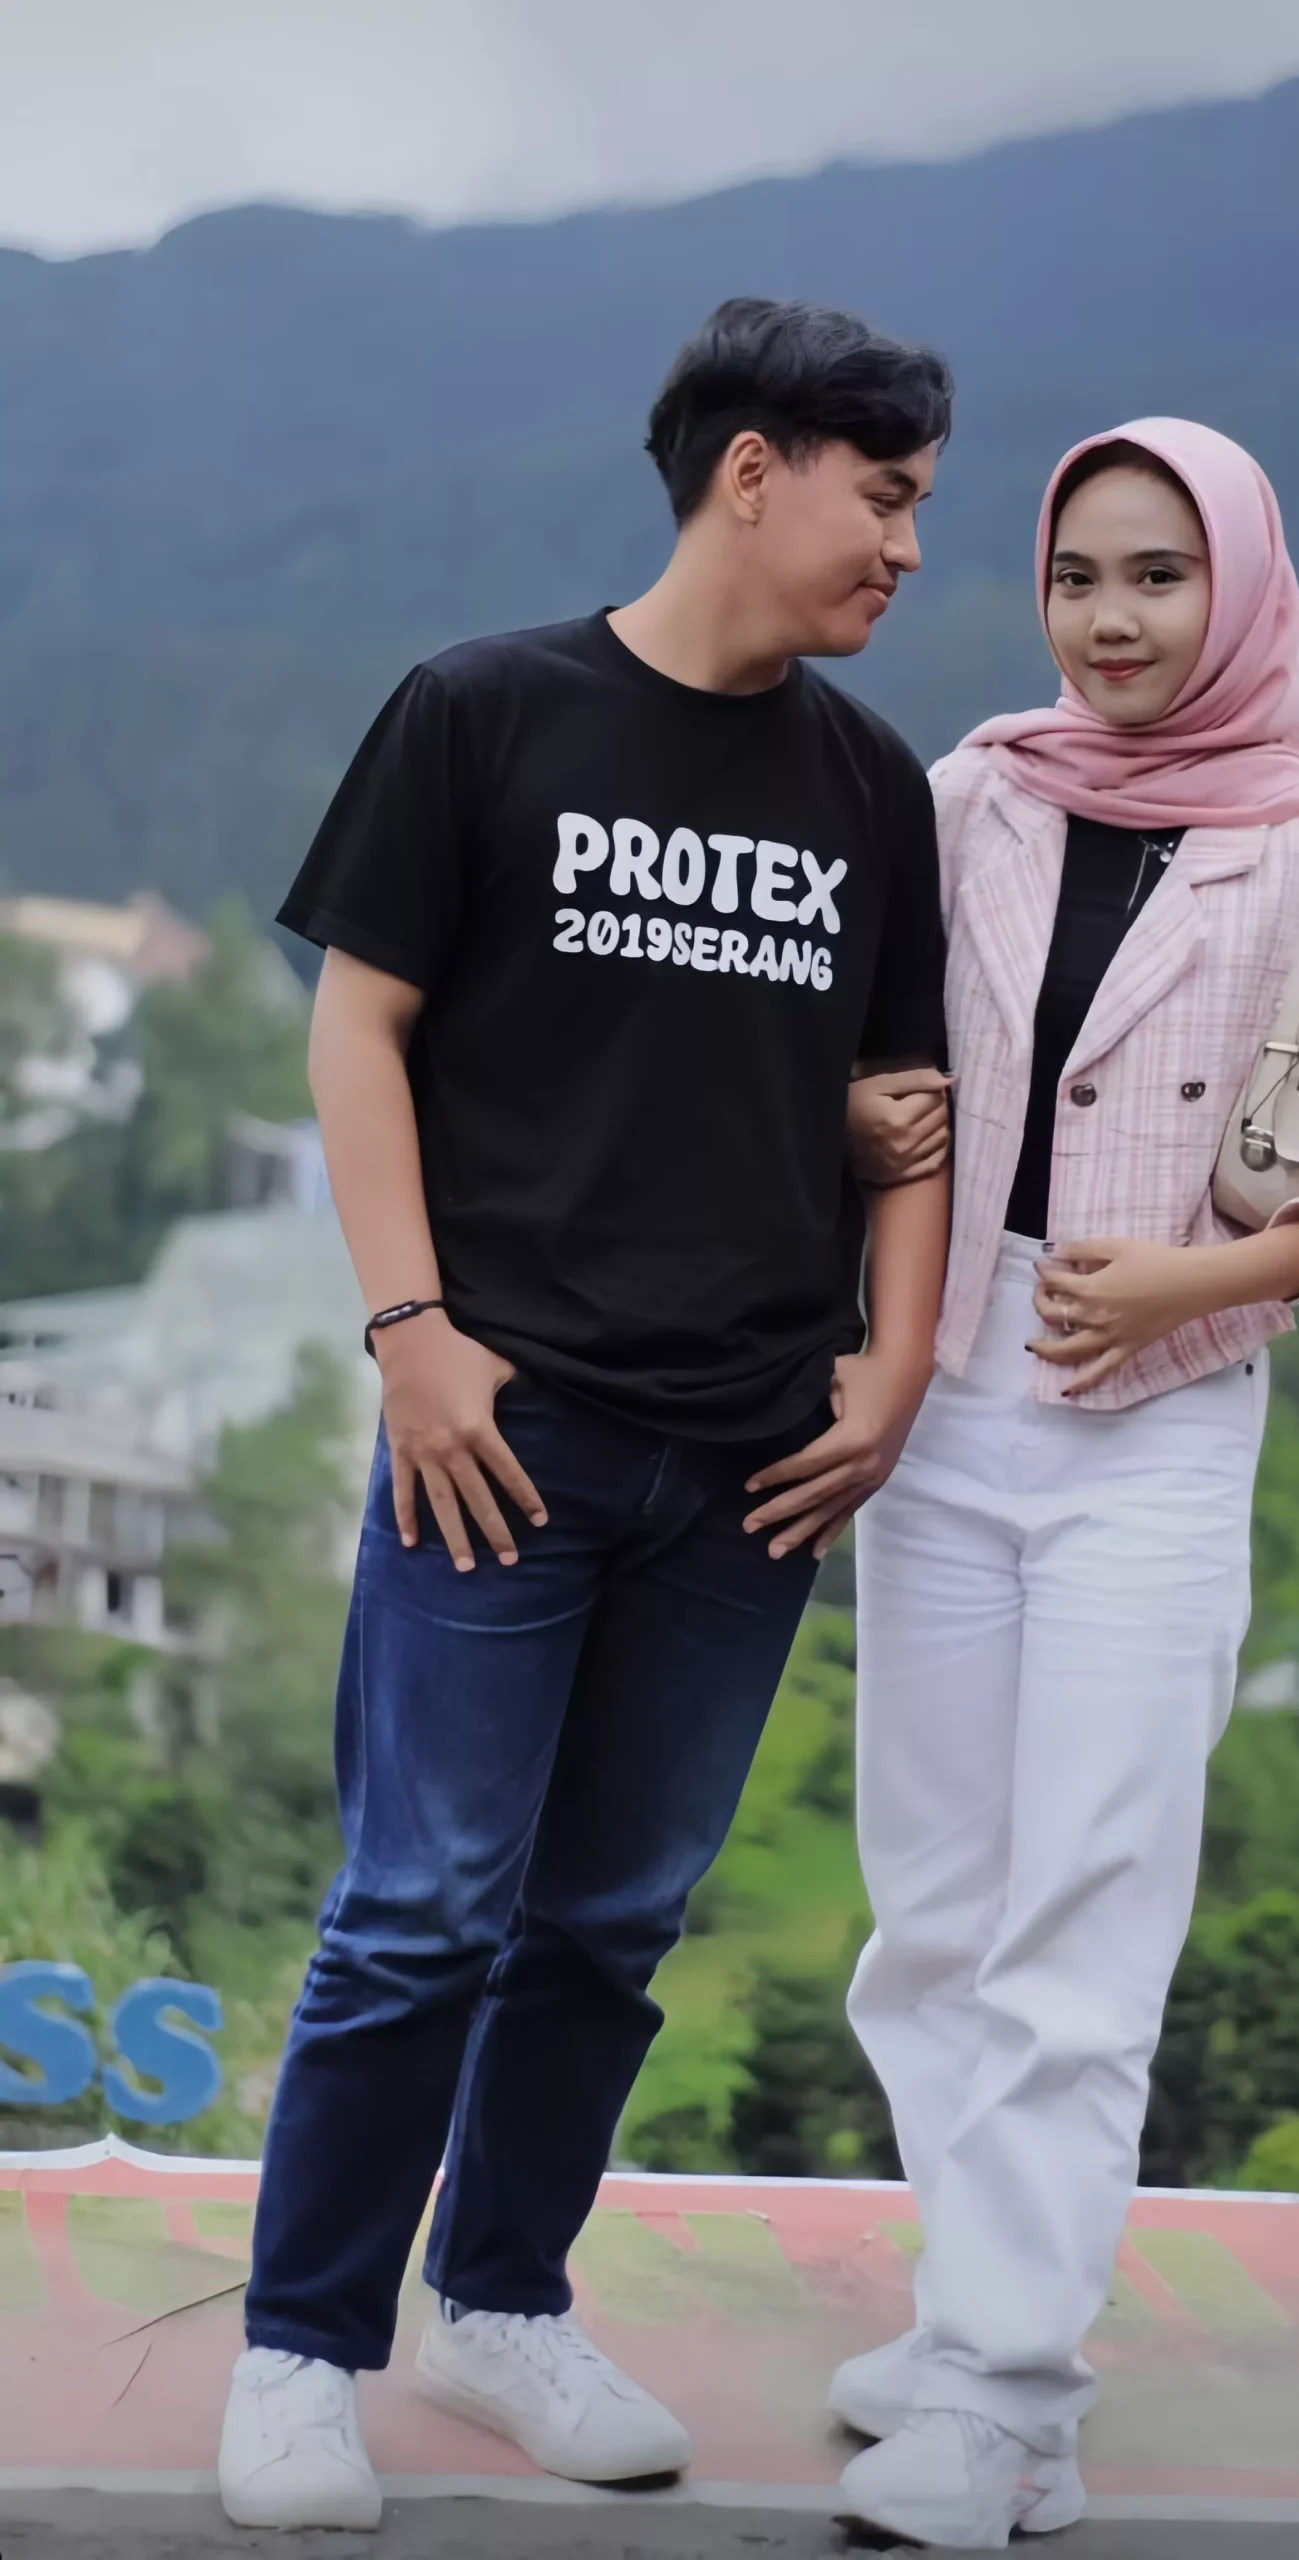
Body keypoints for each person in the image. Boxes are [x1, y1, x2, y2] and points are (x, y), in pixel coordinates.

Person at [217, 297, 955, 2533]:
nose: (909, 546)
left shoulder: (869, 787)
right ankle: (301, 2350)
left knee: (611, 1915)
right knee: (421, 1906)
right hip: (498, 1431)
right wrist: (409, 1329)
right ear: (751, 470)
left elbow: (902, 1112)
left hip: (750, 1461)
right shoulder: (484, 708)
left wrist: (893, 1363)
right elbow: (358, 1027)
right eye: (884, 496)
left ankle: (500, 2300)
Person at [836, 417, 1299, 2547]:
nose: (1110, 618)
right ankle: (968, 2319)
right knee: (932, 1913)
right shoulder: (968, 796)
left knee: (1084, 1911)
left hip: (1162, 1416)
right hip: (946, 1388)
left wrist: (1219, 1269)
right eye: (1077, 573)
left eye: (1158, 575)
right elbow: (865, 1056)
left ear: (1243, 591)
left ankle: (1009, 2394)